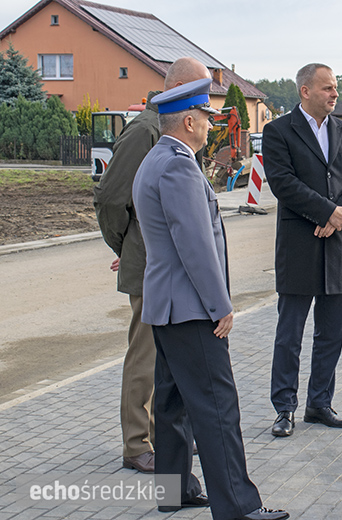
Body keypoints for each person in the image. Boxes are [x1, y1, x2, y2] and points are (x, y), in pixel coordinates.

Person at [132, 77, 288, 520]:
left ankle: (173, 490)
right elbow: (195, 245)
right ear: (188, 121)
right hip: (192, 308)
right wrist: (220, 306)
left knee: (171, 400)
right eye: (205, 118)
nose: (209, 126)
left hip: (165, 306)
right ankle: (239, 506)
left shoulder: (155, 159)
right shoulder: (179, 165)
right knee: (218, 406)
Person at [93, 56, 212, 474]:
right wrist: (125, 246)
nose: (205, 105)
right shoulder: (144, 131)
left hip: (166, 263)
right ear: (178, 87)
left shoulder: (171, 129)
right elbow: (110, 198)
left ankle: (167, 438)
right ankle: (135, 443)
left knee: (169, 358)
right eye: (200, 93)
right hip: (149, 264)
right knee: (145, 357)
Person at [262, 63, 342, 438]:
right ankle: (284, 408)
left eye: (335, 87)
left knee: (331, 333)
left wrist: (340, 216)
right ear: (305, 91)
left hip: (337, 245)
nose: (334, 94)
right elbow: (282, 182)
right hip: (299, 245)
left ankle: (319, 403)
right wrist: (325, 211)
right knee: (289, 334)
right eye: (327, 88)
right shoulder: (277, 131)